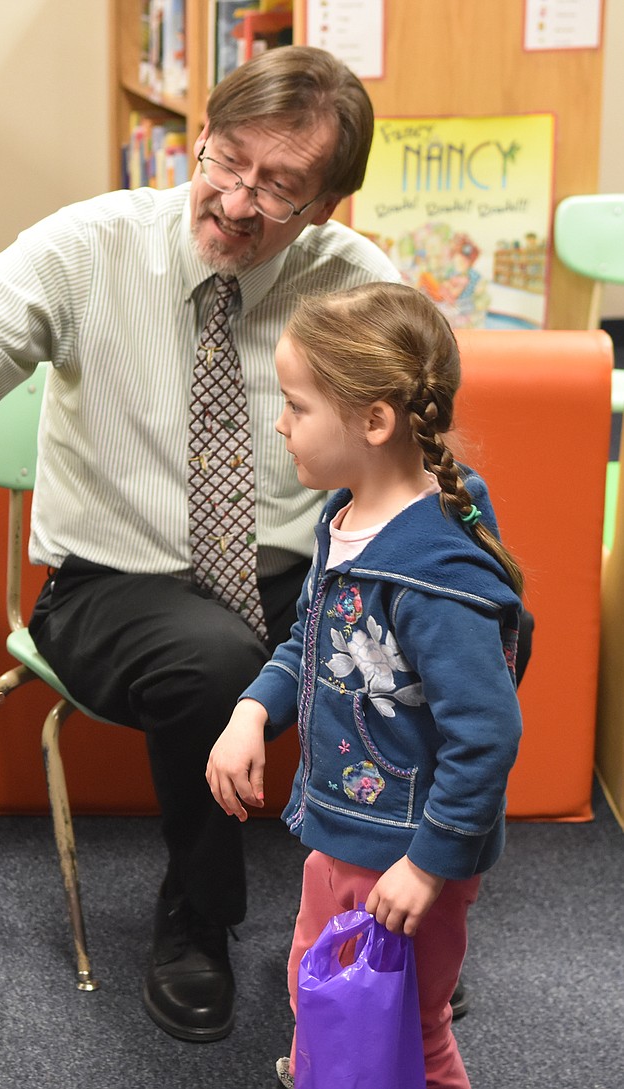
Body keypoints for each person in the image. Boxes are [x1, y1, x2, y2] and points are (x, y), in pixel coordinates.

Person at [0, 45, 400, 1042]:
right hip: (110, 586)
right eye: (226, 160)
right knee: (220, 662)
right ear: (198, 139)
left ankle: (399, 917)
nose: (236, 201)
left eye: (278, 189)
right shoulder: (92, 243)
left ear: (326, 206)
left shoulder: (354, 283)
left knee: (442, 618)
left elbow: (410, 443)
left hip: (293, 575)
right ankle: (197, 918)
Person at [205, 281, 523, 1088]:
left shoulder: (432, 578)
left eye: (296, 405)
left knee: (410, 1027)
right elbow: (310, 644)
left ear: (374, 422)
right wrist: (252, 711)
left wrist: (427, 864)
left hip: (406, 852)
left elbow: (488, 735)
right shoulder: (344, 522)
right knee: (319, 986)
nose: (281, 422)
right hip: (339, 828)